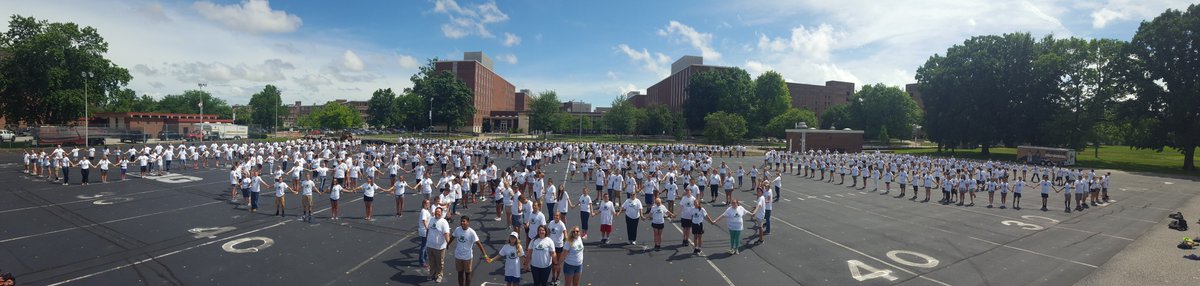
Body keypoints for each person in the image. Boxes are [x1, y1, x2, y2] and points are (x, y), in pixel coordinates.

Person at [448, 215, 488, 286]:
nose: (462, 222)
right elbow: (452, 237)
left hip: (467, 257)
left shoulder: (472, 232)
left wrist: (485, 255)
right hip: (458, 256)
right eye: (461, 221)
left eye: (464, 221)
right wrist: (447, 244)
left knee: (468, 274)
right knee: (460, 274)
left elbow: (479, 244)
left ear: (468, 222)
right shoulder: (457, 229)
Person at [426, 207, 451, 283]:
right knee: (431, 261)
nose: (437, 213)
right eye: (436, 211)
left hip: (439, 247)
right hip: (430, 245)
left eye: (439, 212)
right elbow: (428, 230)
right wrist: (427, 239)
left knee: (440, 262)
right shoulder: (432, 219)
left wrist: (448, 243)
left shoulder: (444, 222)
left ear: (442, 213)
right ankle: (432, 274)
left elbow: (446, 233)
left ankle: (439, 275)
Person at [547, 212, 567, 283]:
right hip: (552, 246)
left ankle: (557, 278)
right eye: (555, 215)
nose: (556, 217)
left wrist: (566, 239)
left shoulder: (562, 224)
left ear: (560, 217)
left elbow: (565, 233)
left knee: (558, 263)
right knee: (553, 263)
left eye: (557, 216)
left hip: (559, 246)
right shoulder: (551, 223)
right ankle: (553, 277)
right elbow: (548, 232)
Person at [417, 200, 432, 268]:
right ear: (424, 204)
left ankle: (425, 257)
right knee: (424, 246)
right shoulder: (423, 211)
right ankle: (422, 261)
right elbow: (424, 220)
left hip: (425, 230)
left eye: (429, 203)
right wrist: (427, 229)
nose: (429, 204)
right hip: (424, 230)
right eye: (427, 203)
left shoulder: (426, 210)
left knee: (425, 244)